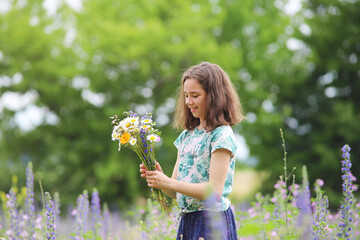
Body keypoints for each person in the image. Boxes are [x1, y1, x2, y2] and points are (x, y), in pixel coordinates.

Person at [139, 62, 245, 240]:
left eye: (195, 95)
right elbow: (175, 191)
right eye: (186, 95)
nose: (188, 102)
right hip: (187, 221)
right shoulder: (187, 136)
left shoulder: (221, 135)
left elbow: (214, 191)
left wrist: (169, 183)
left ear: (214, 96)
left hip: (212, 222)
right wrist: (161, 180)